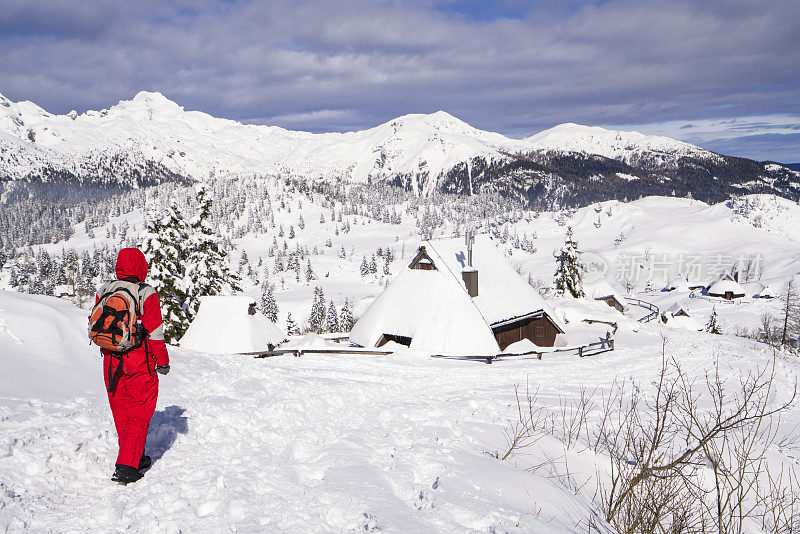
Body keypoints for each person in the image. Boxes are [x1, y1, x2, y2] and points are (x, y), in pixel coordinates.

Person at [97, 248, 170, 484]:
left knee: (122, 410)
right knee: (140, 411)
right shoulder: (146, 293)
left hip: (110, 359)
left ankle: (134, 456)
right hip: (139, 361)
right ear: (141, 266)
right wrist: (163, 362)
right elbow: (155, 334)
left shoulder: (105, 290)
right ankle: (128, 466)